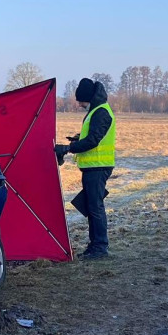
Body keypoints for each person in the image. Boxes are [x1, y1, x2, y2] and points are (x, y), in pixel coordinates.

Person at [56, 78, 116, 259]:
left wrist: (68, 148)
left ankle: (100, 247)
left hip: (98, 167)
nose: (79, 104)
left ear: (87, 97)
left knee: (95, 207)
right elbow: (91, 137)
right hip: (93, 167)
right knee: (91, 207)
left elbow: (92, 141)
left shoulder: (101, 112)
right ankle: (95, 245)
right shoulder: (97, 110)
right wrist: (76, 140)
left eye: (80, 100)